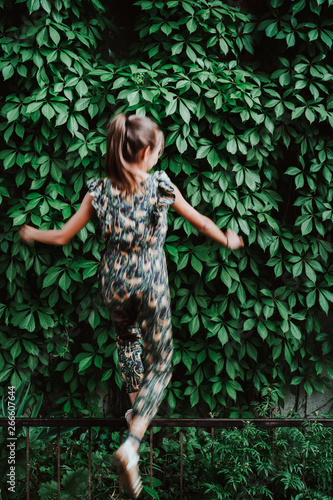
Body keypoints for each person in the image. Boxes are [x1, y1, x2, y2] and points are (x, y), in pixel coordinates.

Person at [19, 112, 244, 498]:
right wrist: (227, 238)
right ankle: (133, 442)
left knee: (126, 340)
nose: (159, 156)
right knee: (163, 364)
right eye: (156, 150)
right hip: (151, 282)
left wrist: (30, 231)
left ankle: (134, 406)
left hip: (114, 282)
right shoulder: (161, 186)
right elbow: (200, 222)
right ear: (145, 153)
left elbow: (61, 237)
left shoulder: (99, 190)